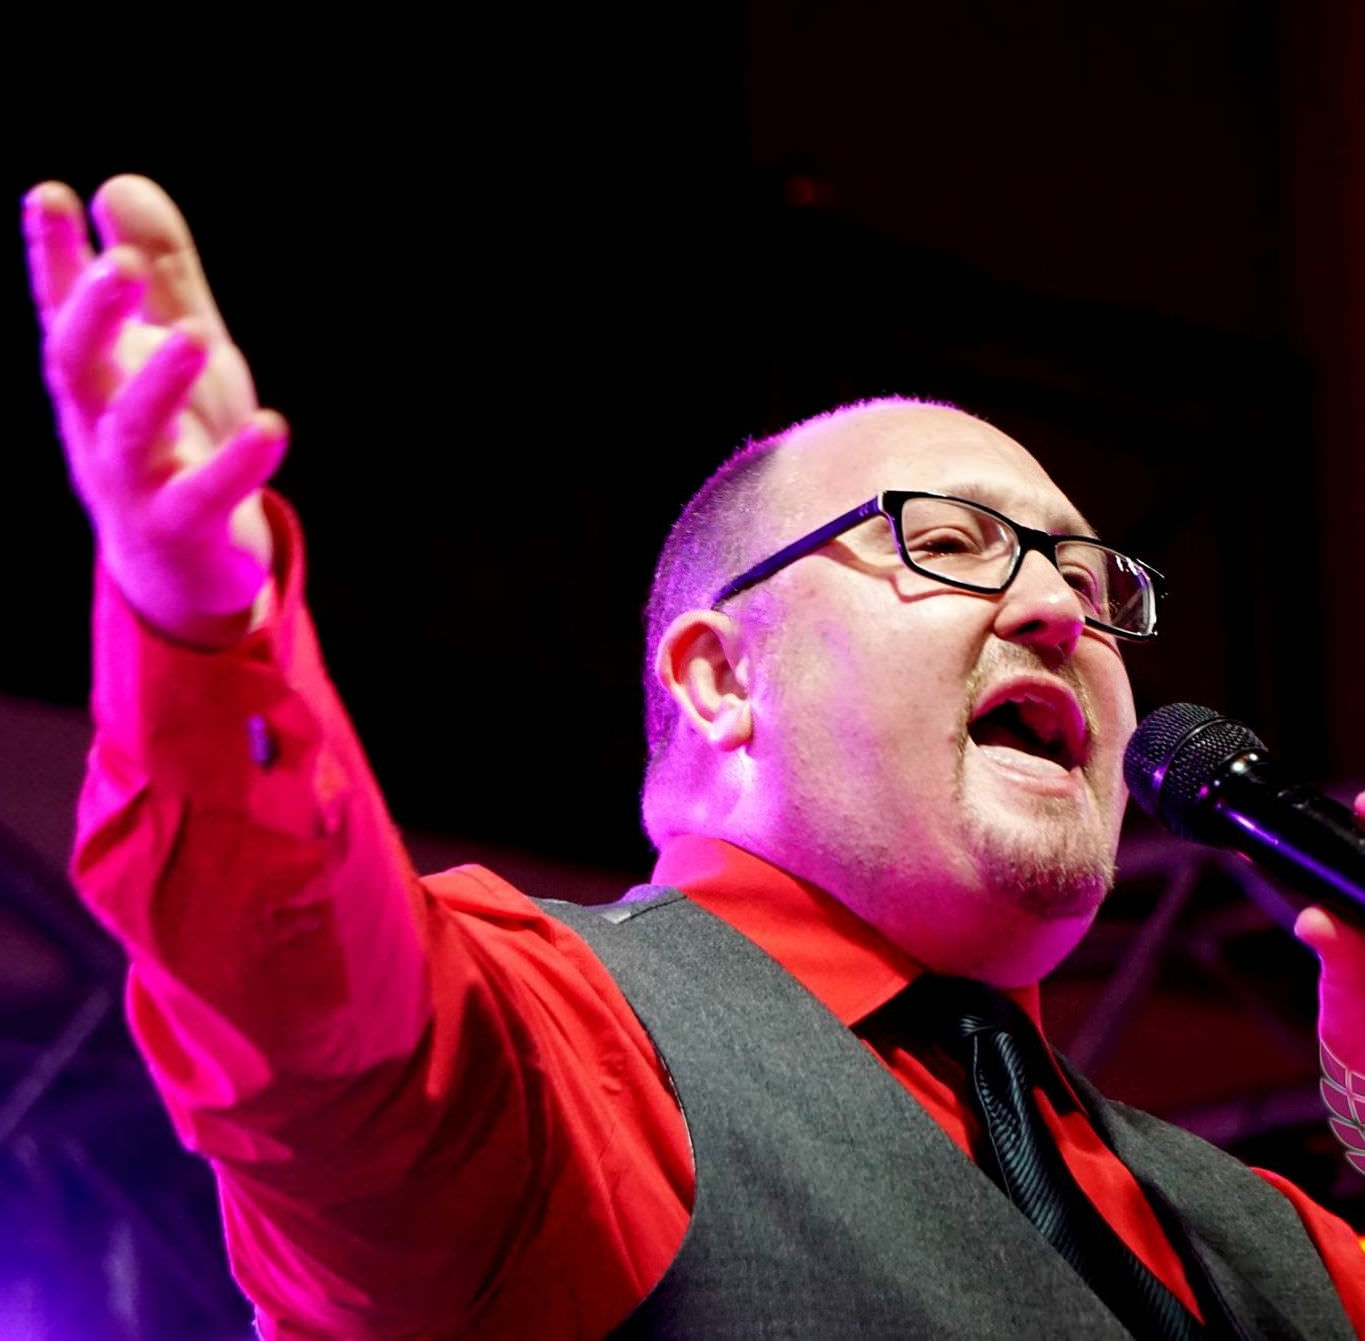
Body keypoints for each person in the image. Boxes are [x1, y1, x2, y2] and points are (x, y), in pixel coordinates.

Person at [22, 175, 1365, 1340]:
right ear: (722, 677)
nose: (1057, 608)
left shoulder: (1280, 1250)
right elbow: (317, 1022)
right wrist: (204, 631)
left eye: (1088, 575)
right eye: (948, 543)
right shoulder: (569, 1054)